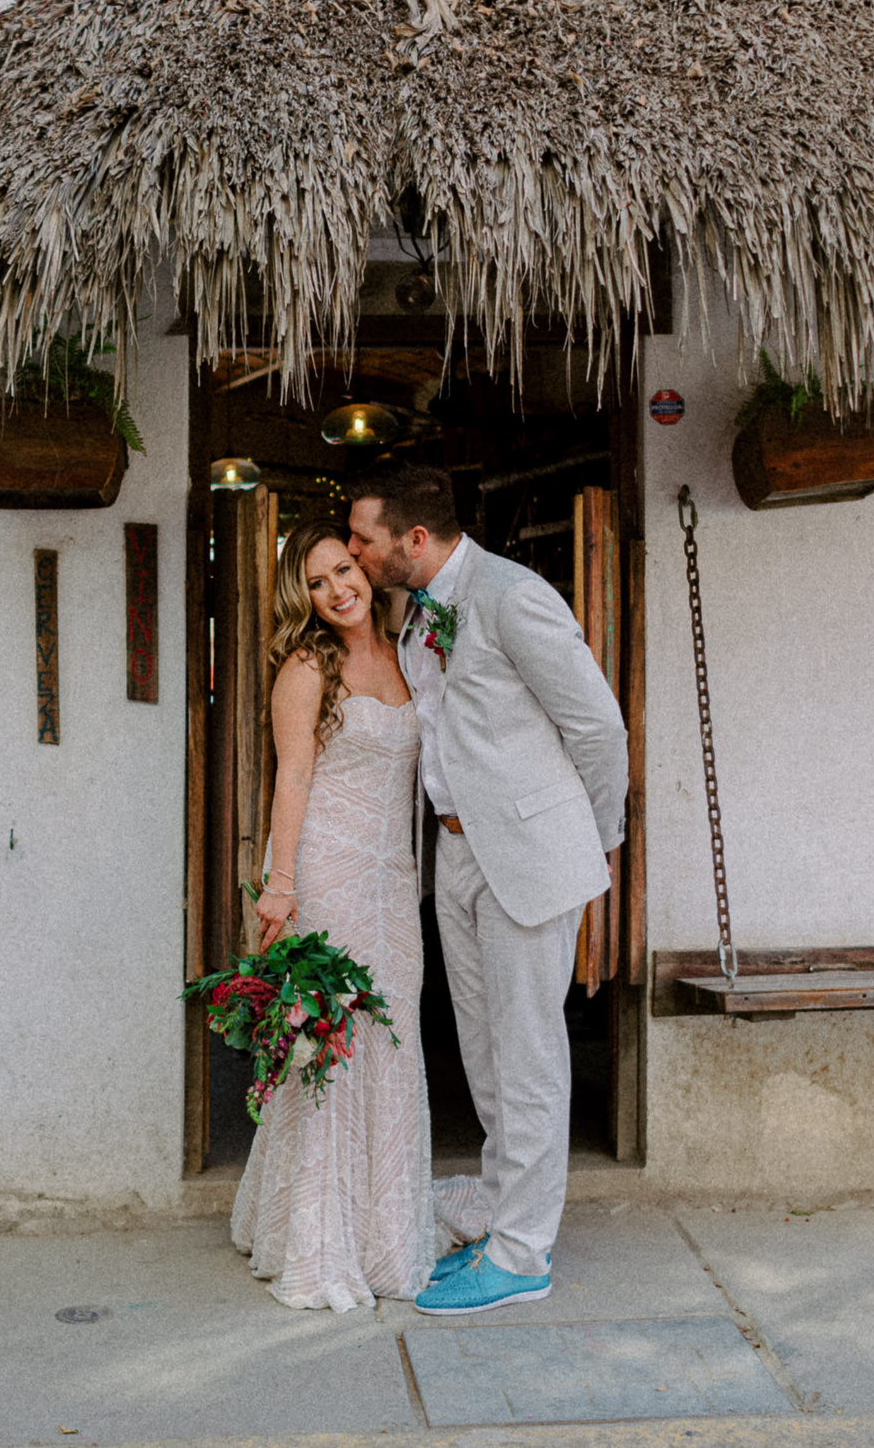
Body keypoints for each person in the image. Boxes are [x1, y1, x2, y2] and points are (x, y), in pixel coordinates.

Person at [346, 463, 628, 1316]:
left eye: (364, 537)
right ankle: (508, 1208)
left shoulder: (512, 595)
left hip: (531, 855)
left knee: (530, 1052)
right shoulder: (413, 612)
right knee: (484, 1051)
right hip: (458, 853)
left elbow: (598, 725)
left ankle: (522, 1255)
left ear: (414, 540)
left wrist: (593, 838)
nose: (355, 552)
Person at [229, 518, 438, 1311]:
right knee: (333, 1048)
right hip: (328, 874)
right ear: (305, 598)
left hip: (394, 883)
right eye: (317, 582)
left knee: (393, 1041)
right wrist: (280, 887)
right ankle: (318, 1232)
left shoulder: (409, 654)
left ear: (368, 568)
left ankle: (385, 1230)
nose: (337, 589)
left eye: (344, 569)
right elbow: (292, 781)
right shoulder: (305, 667)